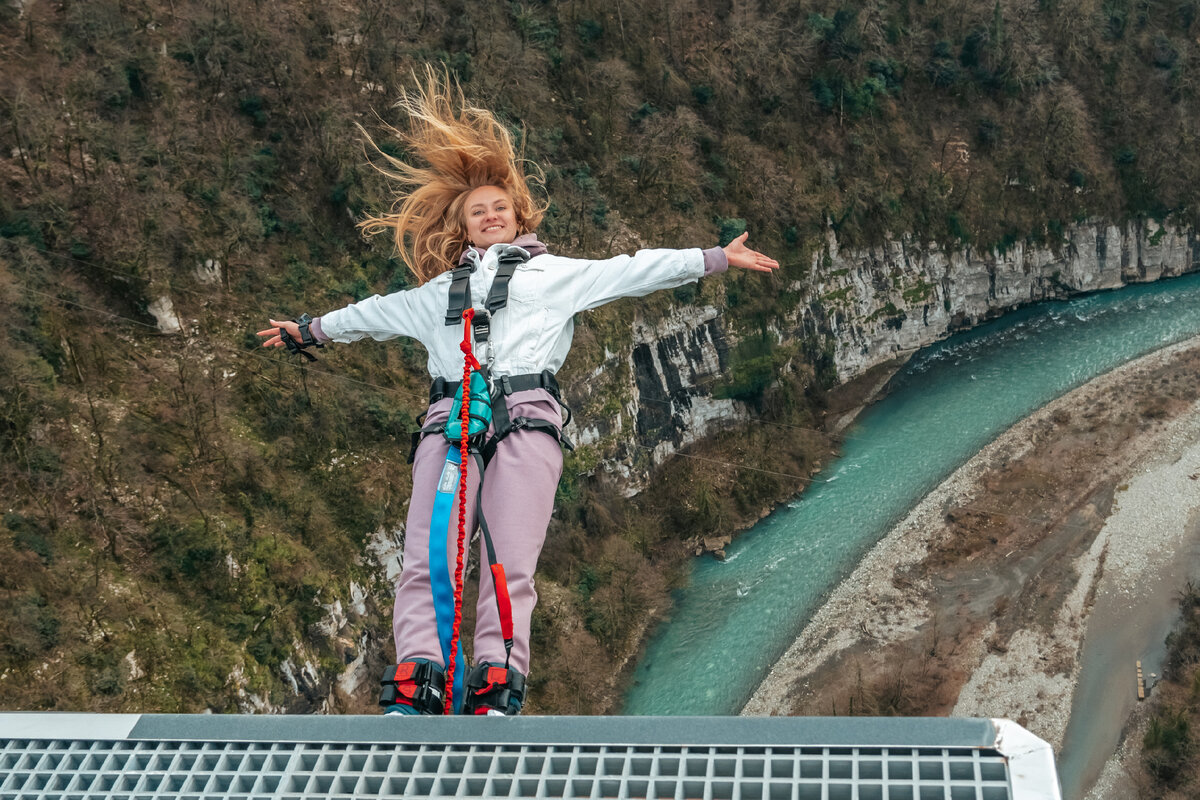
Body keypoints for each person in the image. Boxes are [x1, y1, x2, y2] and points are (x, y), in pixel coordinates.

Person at [257, 68, 779, 716]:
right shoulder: (433, 298)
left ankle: (497, 683)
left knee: (508, 562)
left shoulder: (553, 276)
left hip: (526, 420)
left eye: (499, 206)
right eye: (479, 211)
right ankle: (419, 680)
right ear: (464, 228)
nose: (491, 213)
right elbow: (366, 314)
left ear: (516, 216)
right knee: (427, 553)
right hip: (450, 424)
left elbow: (633, 270)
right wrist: (308, 331)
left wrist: (714, 258)